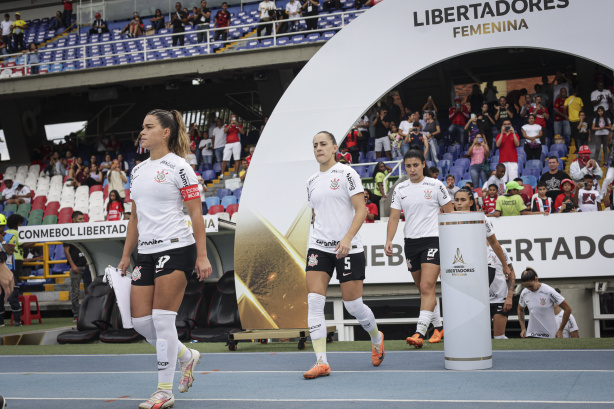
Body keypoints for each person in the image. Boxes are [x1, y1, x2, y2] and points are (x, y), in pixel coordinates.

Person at [117, 109, 212, 408]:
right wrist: (125, 256)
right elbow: (134, 218)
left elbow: (196, 213)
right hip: (145, 252)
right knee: (141, 322)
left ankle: (163, 391)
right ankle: (187, 356)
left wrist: (202, 255)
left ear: (165, 132)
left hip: (176, 247)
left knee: (161, 319)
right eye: (142, 127)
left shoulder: (180, 167)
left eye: (148, 127)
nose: (142, 133)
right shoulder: (137, 169)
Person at [304, 131, 384, 379]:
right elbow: (315, 214)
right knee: (315, 302)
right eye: (315, 145)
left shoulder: (347, 173)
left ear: (334, 147)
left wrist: (347, 238)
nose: (319, 148)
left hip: (348, 247)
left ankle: (375, 336)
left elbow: (361, 210)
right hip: (319, 246)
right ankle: (321, 361)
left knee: (353, 305)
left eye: (323, 144)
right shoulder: (311, 181)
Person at [386, 149, 454, 348]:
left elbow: (450, 213)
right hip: (411, 243)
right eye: (408, 166)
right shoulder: (400, 189)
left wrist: (450, 242)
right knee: (423, 289)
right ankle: (439, 327)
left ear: (423, 164)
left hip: (433, 240)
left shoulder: (435, 185)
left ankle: (419, 332)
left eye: (416, 165)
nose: (412, 169)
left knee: (426, 287)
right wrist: (389, 239)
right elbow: (393, 217)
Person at [452, 188, 514, 339]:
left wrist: (505, 265)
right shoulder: (448, 218)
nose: (459, 204)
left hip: (484, 267)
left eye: (463, 200)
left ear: (471, 202)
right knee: (464, 305)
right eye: (457, 200)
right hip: (461, 267)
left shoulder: (481, 218)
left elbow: (494, 242)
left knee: (474, 303)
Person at [518, 268, 572, 338]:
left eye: (531, 286)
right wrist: (523, 328)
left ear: (536, 279)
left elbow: (568, 309)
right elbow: (520, 310)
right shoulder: (524, 292)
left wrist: (560, 330)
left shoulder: (549, 291)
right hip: (531, 335)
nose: (529, 289)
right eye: (526, 286)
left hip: (550, 335)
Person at [63, 211, 91, 321]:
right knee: (75, 292)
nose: (82, 221)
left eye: (83, 219)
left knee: (89, 290)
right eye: (80, 219)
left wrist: (89, 261)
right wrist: (72, 265)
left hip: (87, 266)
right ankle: (76, 314)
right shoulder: (69, 232)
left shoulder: (85, 231)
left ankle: (89, 312)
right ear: (73, 220)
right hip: (76, 267)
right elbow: (66, 250)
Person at [0, 214, 21, 327]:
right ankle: (1, 321)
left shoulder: (10, 236)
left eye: (0, 226)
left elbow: (10, 252)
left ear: (4, 226)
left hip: (9, 270)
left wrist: (2, 240)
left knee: (12, 295)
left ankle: (17, 320)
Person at [220, 114, 243, 178]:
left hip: (236, 143)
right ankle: (222, 174)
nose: (233, 118)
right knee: (224, 159)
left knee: (237, 159)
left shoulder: (239, 125)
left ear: (236, 118)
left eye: (234, 117)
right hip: (228, 144)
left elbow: (243, 132)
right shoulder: (227, 125)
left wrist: (237, 125)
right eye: (232, 117)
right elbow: (225, 131)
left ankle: (235, 174)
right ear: (230, 119)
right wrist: (230, 124)